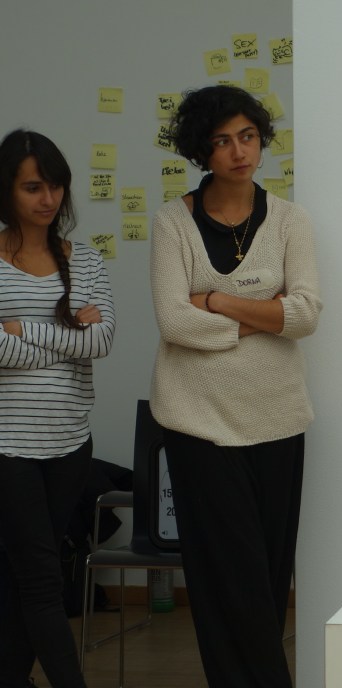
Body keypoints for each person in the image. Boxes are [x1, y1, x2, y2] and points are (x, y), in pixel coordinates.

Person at [150, 86, 320, 687]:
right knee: (227, 579)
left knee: (268, 577)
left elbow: (305, 314)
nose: (239, 151)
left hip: (278, 419)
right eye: (222, 141)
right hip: (198, 422)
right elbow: (174, 322)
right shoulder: (172, 223)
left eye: (247, 136)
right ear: (202, 150)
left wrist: (218, 303)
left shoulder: (291, 220)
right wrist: (263, 317)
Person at [0, 129, 114, 688]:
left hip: (70, 443)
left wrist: (23, 330)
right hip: (7, 446)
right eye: (32, 187)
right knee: (43, 578)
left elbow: (102, 340)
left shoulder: (85, 260)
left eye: (55, 186)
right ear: (7, 191)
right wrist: (68, 336)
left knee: (22, 574)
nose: (48, 198)